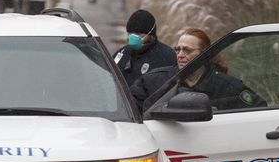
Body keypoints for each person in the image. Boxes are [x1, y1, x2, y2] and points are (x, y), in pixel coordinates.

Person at [130, 27, 266, 111]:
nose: (180, 55)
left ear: (205, 54)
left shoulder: (227, 86)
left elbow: (259, 110)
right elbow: (130, 111)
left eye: (187, 50)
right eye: (178, 49)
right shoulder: (154, 80)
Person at [113, 9, 177, 86]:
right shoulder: (122, 53)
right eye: (130, 33)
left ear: (152, 35)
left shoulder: (167, 57)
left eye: (139, 34)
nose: (133, 38)